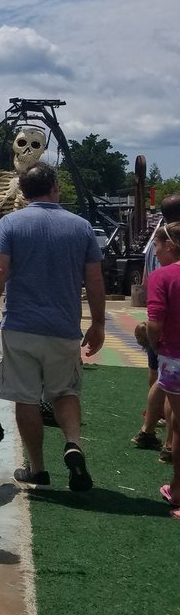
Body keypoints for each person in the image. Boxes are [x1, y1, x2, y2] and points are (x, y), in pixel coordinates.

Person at [0, 162, 104, 491]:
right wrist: (99, 323)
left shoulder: (11, 223)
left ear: (22, 191)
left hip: (21, 326)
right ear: (55, 188)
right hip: (64, 327)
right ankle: (73, 441)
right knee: (65, 391)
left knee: (26, 398)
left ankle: (37, 469)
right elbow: (94, 279)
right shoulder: (81, 227)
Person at [134, 194, 180, 454]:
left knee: (161, 380)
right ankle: (169, 444)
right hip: (168, 331)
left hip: (158, 327)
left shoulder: (157, 237)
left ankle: (149, 429)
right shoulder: (170, 239)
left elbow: (146, 278)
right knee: (171, 390)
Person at [144, 221, 180, 520]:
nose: (154, 252)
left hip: (175, 356)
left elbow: (155, 322)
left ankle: (179, 491)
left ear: (170, 246)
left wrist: (154, 346)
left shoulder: (163, 276)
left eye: (156, 246)